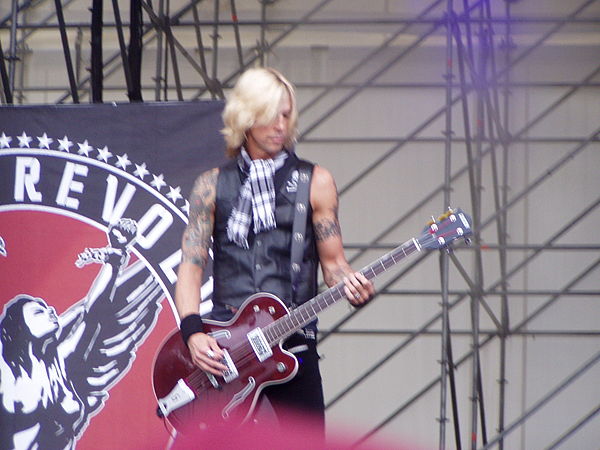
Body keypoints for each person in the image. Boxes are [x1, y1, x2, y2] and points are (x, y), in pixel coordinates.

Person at [174, 67, 374, 435]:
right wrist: (192, 331)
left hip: (293, 346)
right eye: (270, 115)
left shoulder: (316, 181)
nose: (280, 125)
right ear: (246, 118)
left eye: (286, 115)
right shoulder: (211, 186)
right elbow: (191, 264)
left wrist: (352, 285)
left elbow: (334, 266)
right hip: (227, 350)